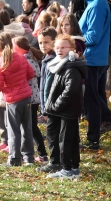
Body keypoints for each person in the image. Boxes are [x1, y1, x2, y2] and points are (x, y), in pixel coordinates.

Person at [38, 34, 87, 178]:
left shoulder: (72, 67)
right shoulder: (59, 64)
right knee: (59, 138)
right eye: (57, 47)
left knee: (66, 140)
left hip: (67, 111)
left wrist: (55, 106)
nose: (59, 50)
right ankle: (71, 168)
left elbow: (69, 91)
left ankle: (68, 169)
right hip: (57, 110)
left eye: (63, 47)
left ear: (71, 49)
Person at [79, 0, 111, 149]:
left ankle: (93, 139)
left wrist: (74, 39)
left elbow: (93, 37)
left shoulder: (97, 5)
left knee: (91, 99)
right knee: (98, 96)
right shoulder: (94, 4)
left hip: (92, 59)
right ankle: (106, 120)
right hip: (96, 58)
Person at [0, 32, 35, 166]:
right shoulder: (20, 57)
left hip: (12, 100)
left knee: (13, 130)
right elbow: (31, 73)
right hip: (26, 97)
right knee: (26, 128)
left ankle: (15, 158)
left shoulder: (1, 64)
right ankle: (29, 157)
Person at [12, 36, 48, 164]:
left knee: (31, 127)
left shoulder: (27, 59)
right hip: (28, 97)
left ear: (18, 48)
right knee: (28, 126)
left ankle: (42, 154)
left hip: (30, 98)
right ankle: (29, 153)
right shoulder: (25, 58)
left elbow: (34, 73)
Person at [37, 27, 57, 125]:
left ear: (54, 42)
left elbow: (48, 86)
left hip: (52, 102)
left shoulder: (53, 60)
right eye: (40, 43)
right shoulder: (46, 58)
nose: (43, 45)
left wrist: (46, 106)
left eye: (46, 42)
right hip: (46, 102)